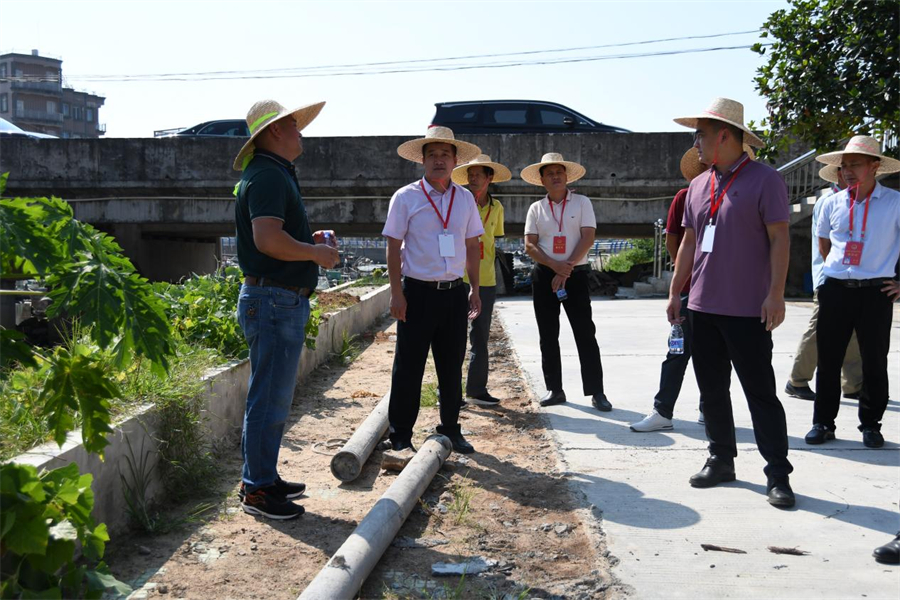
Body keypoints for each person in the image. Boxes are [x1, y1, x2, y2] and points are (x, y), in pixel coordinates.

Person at [669, 97, 795, 508]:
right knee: (711, 390)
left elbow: (780, 239)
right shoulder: (698, 185)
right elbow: (689, 240)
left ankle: (778, 473)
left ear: (724, 134)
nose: (696, 143)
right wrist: (676, 291)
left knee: (760, 393)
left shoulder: (765, 180)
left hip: (748, 309)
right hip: (702, 307)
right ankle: (720, 458)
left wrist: (775, 294)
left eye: (700, 135)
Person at [233, 99, 340, 520]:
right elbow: (267, 241)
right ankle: (257, 490)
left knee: (273, 396)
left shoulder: (268, 173)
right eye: (294, 125)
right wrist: (315, 252)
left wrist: (305, 243)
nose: (300, 132)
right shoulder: (268, 176)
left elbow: (274, 236)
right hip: (274, 299)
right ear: (275, 131)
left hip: (275, 298)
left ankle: (262, 477)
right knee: (268, 397)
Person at [382, 126, 484, 456]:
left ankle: (451, 429)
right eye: (432, 155)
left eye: (445, 155)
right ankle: (400, 434)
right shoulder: (406, 197)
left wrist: (475, 289)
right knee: (408, 366)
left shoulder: (466, 198)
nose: (439, 161)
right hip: (417, 294)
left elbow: (471, 246)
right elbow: (393, 246)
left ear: (455, 160)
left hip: (454, 293)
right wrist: (396, 294)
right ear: (423, 160)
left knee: (451, 365)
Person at [805, 135, 900, 448]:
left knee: (875, 361)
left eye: (854, 164)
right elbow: (824, 243)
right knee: (828, 360)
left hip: (876, 292)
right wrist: (827, 280)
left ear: (874, 167)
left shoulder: (895, 202)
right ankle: (823, 423)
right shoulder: (830, 203)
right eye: (843, 166)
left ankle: (871, 425)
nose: (846, 171)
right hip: (836, 289)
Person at [522, 153, 612, 412]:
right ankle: (555, 388)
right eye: (549, 173)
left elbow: (588, 237)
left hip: (576, 273)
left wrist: (566, 269)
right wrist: (554, 267)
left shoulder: (582, 203)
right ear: (542, 179)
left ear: (566, 176)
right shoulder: (536, 208)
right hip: (544, 275)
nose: (555, 177)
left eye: (559, 172)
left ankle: (597, 391)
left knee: (585, 332)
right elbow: (530, 244)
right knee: (548, 334)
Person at [630, 147, 708, 431]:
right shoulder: (685, 197)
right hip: (690, 290)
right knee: (677, 351)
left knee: (713, 355)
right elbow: (675, 240)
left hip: (722, 291)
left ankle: (708, 409)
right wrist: (681, 277)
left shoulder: (735, 196)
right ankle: (663, 411)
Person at [785, 165, 863, 401]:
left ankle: (853, 384)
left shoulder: (857, 201)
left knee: (854, 331)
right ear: (838, 174)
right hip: (829, 277)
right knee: (819, 330)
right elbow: (826, 243)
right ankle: (797, 380)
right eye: (846, 170)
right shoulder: (828, 201)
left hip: (852, 276)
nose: (851, 174)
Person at [451, 154, 510, 407]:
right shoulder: (457, 202)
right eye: (469, 174)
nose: (472, 178)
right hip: (457, 277)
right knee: (453, 338)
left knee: (481, 337)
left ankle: (476, 389)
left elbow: (492, 240)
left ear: (489, 178)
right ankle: (450, 393)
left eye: (478, 174)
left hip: (485, 280)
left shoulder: (497, 208)